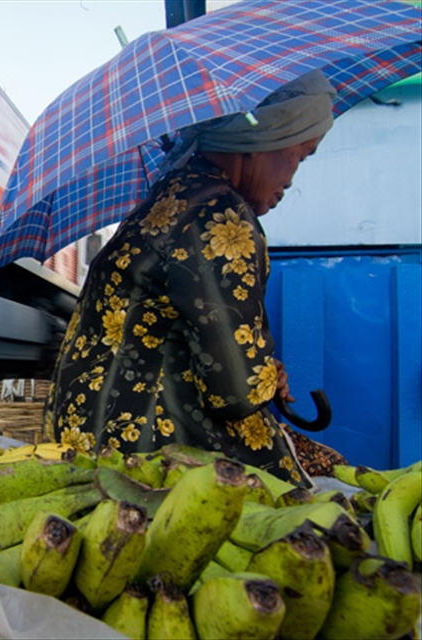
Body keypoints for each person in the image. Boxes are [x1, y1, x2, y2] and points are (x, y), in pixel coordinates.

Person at [43, 70, 343, 488]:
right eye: (301, 154)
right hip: (143, 459)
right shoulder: (220, 217)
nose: (292, 180)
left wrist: (258, 368)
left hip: (85, 434)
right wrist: (261, 375)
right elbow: (235, 394)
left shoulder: (168, 199)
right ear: (263, 140)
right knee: (330, 493)